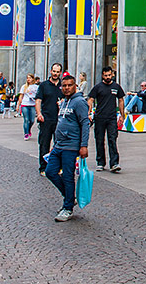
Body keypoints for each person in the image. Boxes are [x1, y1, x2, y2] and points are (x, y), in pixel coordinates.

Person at [45, 74, 90, 222]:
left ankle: (68, 208)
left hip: (71, 146)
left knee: (68, 177)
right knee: (50, 171)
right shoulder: (64, 102)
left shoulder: (79, 102)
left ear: (75, 86)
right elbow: (60, 123)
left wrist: (84, 146)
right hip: (59, 145)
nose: (66, 88)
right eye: (64, 86)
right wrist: (54, 145)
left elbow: (85, 124)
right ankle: (69, 198)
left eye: (69, 85)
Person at [88, 67, 125, 172]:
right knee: (99, 140)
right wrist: (89, 113)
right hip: (99, 117)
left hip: (112, 118)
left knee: (112, 139)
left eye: (109, 75)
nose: (108, 77)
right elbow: (90, 99)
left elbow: (121, 100)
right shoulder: (98, 87)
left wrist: (122, 115)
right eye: (106, 75)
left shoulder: (116, 87)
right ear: (102, 75)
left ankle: (114, 163)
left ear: (112, 74)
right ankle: (100, 162)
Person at [35, 63, 62, 175]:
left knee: (59, 144)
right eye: (54, 71)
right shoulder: (44, 85)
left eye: (57, 72)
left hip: (60, 120)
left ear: (60, 72)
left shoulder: (63, 85)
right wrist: (39, 113)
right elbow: (38, 100)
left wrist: (62, 102)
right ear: (50, 71)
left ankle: (58, 166)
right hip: (46, 119)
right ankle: (43, 167)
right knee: (44, 143)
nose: (55, 73)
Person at [17, 74, 38, 140]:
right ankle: (26, 133)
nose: (28, 79)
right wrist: (19, 104)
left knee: (32, 120)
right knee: (26, 119)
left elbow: (38, 96)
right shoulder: (24, 86)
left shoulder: (36, 87)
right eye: (27, 78)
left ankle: (28, 129)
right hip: (25, 104)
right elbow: (21, 96)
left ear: (33, 79)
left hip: (32, 104)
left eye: (30, 78)